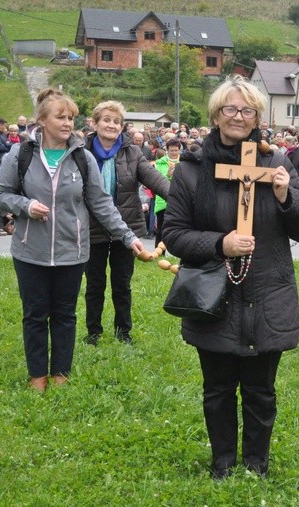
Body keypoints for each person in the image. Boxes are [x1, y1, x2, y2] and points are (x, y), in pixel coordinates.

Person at [162, 75, 299, 479]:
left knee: (260, 390)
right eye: (230, 109)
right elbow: (174, 233)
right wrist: (221, 244)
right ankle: (222, 463)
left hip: (268, 292)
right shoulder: (193, 170)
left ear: (257, 118)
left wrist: (286, 198)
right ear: (216, 115)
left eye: (247, 110)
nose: (238, 116)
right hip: (215, 297)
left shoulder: (276, 164)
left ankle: (256, 464)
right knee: (217, 390)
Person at [0, 88, 144, 392]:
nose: (67, 123)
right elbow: (1, 195)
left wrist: (129, 238)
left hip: (72, 252)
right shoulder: (20, 154)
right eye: (60, 117)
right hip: (29, 251)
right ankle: (37, 376)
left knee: (64, 314)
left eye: (71, 118)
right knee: (35, 314)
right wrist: (26, 206)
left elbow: (101, 203)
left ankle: (61, 374)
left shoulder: (82, 158)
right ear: (42, 120)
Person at [82, 101, 171, 346]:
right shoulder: (82, 151)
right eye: (107, 120)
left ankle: (123, 332)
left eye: (116, 121)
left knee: (122, 284)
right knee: (94, 284)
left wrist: (177, 197)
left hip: (126, 228)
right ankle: (93, 333)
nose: (111, 125)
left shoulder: (132, 152)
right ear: (95, 122)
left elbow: (155, 180)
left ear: (122, 126)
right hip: (91, 226)